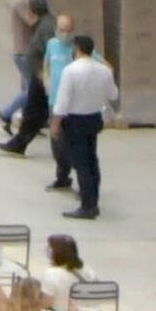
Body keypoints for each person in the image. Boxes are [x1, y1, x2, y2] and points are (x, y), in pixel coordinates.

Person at [51, 33, 116, 215]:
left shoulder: (70, 70)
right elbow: (113, 95)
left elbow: (62, 101)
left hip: (75, 120)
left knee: (81, 164)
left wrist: (55, 123)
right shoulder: (104, 70)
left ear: (77, 49)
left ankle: (87, 206)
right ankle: (94, 200)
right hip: (94, 118)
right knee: (92, 159)